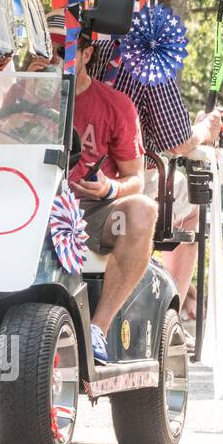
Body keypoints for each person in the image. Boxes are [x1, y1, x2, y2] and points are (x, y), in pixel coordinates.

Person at [87, 31, 222, 321]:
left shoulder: (88, 49)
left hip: (90, 174)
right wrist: (206, 130)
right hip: (120, 174)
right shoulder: (149, 57)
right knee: (190, 209)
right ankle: (171, 312)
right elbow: (178, 142)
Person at [61, 26, 158, 363]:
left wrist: (109, 188)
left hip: (91, 209)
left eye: (65, 52)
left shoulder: (116, 105)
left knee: (143, 209)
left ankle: (97, 328)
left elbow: (135, 178)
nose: (56, 60)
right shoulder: (22, 94)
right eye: (49, 50)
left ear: (87, 54)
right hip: (33, 204)